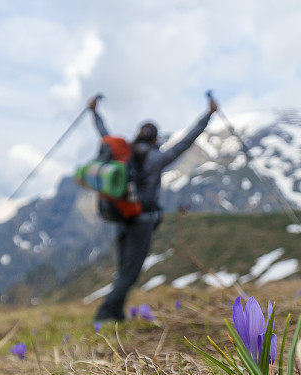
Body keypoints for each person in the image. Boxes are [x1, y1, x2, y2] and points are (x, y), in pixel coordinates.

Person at [89, 94, 218, 322]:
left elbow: (104, 134)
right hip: (143, 221)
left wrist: (94, 112)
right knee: (130, 274)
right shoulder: (157, 158)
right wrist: (208, 115)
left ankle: (116, 312)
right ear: (156, 138)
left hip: (122, 217)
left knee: (123, 271)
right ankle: (105, 314)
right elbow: (186, 142)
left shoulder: (124, 154)